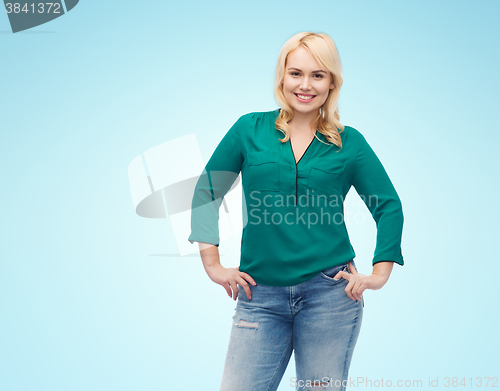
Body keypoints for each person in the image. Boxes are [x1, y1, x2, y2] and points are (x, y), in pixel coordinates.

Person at [188, 31, 404, 391]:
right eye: (296, 73)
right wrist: (212, 263)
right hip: (259, 295)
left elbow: (388, 206)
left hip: (330, 296)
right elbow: (206, 191)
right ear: (282, 76)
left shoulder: (349, 142)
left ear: (332, 81)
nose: (305, 85)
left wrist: (379, 274)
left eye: (318, 75)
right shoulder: (249, 129)